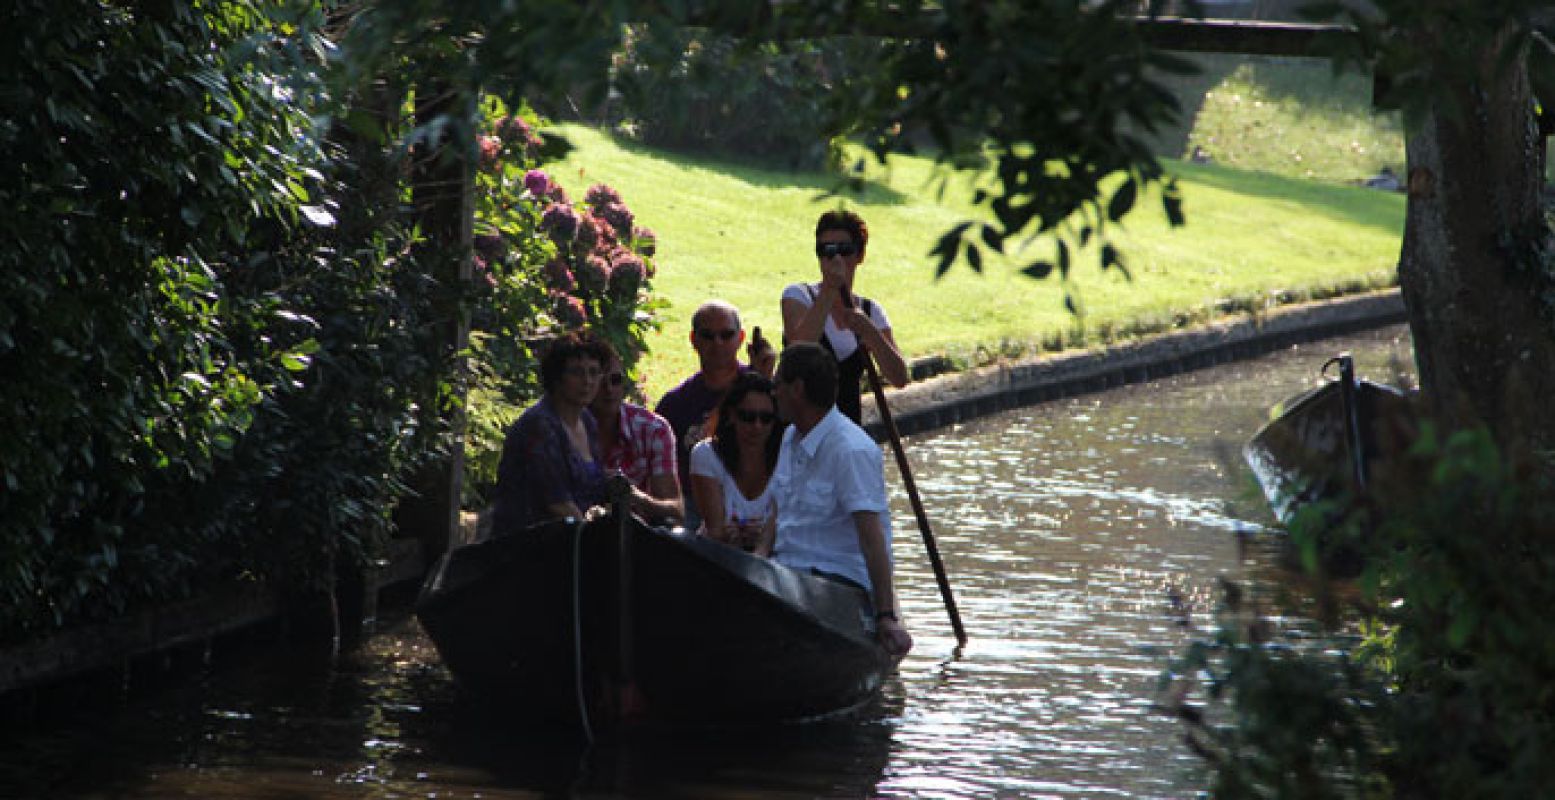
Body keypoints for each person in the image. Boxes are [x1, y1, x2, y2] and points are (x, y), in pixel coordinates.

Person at [768, 342, 913, 656]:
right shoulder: (790, 437)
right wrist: (753, 565)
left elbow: (873, 540)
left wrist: (886, 616)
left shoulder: (850, 450)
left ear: (797, 389)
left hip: (837, 584)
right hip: (786, 576)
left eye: (776, 385)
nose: (773, 393)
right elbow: (776, 512)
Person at [781, 210, 909, 425]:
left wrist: (869, 332)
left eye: (845, 250)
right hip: (800, 429)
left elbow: (900, 378)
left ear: (860, 256)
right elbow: (799, 349)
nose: (835, 258)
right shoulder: (798, 296)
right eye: (826, 250)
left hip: (846, 432)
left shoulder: (871, 311)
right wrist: (830, 289)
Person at [490, 332, 612, 535]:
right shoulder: (539, 427)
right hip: (528, 546)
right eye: (576, 372)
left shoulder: (587, 420)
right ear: (557, 376)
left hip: (573, 542)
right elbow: (558, 505)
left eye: (594, 372)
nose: (587, 381)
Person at [654, 300, 752, 528]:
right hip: (695, 509)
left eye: (726, 335)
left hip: (752, 501)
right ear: (693, 340)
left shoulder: (762, 389)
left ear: (741, 338)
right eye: (708, 335)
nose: (717, 343)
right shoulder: (674, 404)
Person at [688, 372, 783, 552]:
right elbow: (715, 529)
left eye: (766, 418)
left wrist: (766, 537)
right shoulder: (706, 455)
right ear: (731, 415)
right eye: (747, 417)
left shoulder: (788, 458)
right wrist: (728, 535)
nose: (757, 426)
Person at [590, 349, 684, 525]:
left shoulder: (653, 429)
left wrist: (633, 496)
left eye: (615, 380)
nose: (609, 389)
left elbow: (675, 511)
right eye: (600, 382)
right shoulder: (564, 430)